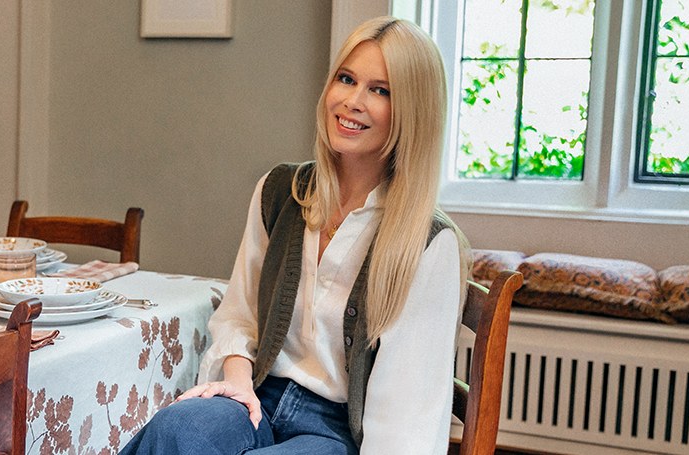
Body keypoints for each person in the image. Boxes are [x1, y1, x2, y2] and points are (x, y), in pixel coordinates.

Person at [118, 17, 473, 455]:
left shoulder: (428, 243)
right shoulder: (279, 191)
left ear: (413, 112)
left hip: (336, 431)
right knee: (178, 430)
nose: (352, 101)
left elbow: (406, 414)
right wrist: (237, 382)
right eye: (346, 79)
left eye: (380, 90)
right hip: (257, 396)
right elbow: (240, 314)